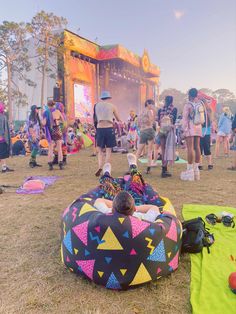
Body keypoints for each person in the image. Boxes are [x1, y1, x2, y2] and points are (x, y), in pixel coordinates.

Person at [94, 153, 161, 222]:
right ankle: (133, 166)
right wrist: (132, 206)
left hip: (115, 205)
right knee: (136, 187)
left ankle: (106, 174)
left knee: (108, 187)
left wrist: (117, 205)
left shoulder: (108, 213)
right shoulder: (141, 217)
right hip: (135, 204)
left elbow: (98, 201)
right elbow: (154, 208)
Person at [94, 91, 121, 177]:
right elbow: (118, 118)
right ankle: (106, 169)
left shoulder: (96, 105)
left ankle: (99, 166)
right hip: (109, 128)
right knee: (108, 150)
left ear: (101, 98)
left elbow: (95, 118)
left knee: (100, 150)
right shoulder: (112, 106)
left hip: (100, 128)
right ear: (109, 98)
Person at [181, 88, 202, 181]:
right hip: (198, 127)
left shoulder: (188, 105)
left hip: (190, 127)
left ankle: (189, 171)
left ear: (189, 94)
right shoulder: (200, 104)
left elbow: (185, 118)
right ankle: (196, 170)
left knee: (190, 148)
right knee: (197, 147)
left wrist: (183, 129)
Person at [157, 96, 177, 178]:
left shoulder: (160, 110)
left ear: (165, 101)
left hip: (162, 131)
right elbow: (174, 121)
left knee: (163, 149)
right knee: (168, 149)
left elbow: (158, 122)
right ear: (172, 101)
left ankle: (163, 169)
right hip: (169, 131)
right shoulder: (174, 109)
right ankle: (165, 170)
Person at [42, 100, 65, 170]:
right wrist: (57, 121)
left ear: (48, 105)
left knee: (50, 148)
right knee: (59, 148)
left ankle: (50, 164)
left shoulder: (45, 112)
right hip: (57, 130)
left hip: (50, 130)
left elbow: (44, 123)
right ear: (54, 104)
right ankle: (60, 163)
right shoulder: (58, 111)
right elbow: (63, 120)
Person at [136, 99, 155, 174]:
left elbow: (138, 123)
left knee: (139, 151)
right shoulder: (149, 111)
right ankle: (148, 167)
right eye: (151, 104)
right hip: (149, 130)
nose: (152, 106)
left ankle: (133, 166)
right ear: (147, 103)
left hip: (142, 131)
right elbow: (151, 121)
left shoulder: (141, 112)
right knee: (150, 150)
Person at [199, 99, 213, 170]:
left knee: (200, 149)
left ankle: (201, 165)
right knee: (207, 149)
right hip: (207, 132)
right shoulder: (209, 111)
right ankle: (209, 165)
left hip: (201, 132)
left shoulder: (203, 112)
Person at [0, 102, 14, 173]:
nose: (4, 107)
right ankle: (4, 168)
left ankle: (4, 167)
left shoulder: (3, 116)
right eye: (3, 106)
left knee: (2, 155)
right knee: (2, 154)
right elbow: (2, 128)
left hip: (2, 138)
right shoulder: (2, 117)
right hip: (2, 138)